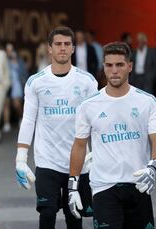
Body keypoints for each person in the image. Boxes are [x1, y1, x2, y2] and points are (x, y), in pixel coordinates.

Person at [15, 26, 98, 229]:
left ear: (73, 48)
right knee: (47, 214)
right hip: (47, 161)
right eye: (58, 44)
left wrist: (97, 154)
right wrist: (21, 158)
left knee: (74, 217)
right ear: (49, 49)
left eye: (67, 44)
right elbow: (28, 120)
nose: (62, 48)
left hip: (78, 162)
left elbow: (96, 121)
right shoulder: (36, 82)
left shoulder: (87, 82)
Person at [68, 41, 156, 229]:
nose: (114, 70)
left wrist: (153, 166)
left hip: (138, 185)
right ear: (103, 67)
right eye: (109, 65)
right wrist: (73, 184)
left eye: (119, 65)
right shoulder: (87, 106)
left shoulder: (147, 102)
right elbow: (79, 145)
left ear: (130, 66)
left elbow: (155, 139)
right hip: (103, 187)